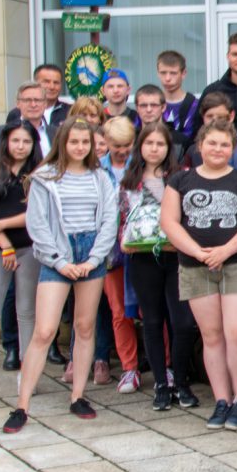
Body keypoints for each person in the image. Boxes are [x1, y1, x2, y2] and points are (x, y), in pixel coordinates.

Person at [4, 119, 119, 433]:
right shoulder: (44, 177)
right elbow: (37, 224)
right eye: (74, 142)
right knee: (44, 331)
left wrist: (94, 258)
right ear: (63, 143)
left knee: (84, 327)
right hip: (58, 254)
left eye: (86, 142)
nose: (80, 147)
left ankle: (78, 395)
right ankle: (22, 405)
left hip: (90, 254)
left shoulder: (101, 177)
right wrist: (58, 260)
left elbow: (110, 219)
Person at [162, 119, 237, 431]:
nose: (218, 149)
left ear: (233, 149)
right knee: (211, 335)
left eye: (224, 144)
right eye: (212, 143)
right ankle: (222, 400)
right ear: (200, 146)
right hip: (195, 266)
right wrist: (198, 252)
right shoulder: (179, 181)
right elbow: (170, 222)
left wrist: (224, 251)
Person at [119, 122, 200, 411]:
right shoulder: (129, 181)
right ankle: (161, 386)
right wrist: (123, 242)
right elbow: (123, 221)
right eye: (149, 143)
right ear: (140, 146)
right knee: (152, 322)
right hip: (142, 259)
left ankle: (181, 381)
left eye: (160, 144)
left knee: (183, 323)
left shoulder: (181, 178)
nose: (155, 148)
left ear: (169, 149)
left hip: (177, 257)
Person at [0, 122, 42, 373]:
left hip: (30, 249)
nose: (21, 146)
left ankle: (27, 374)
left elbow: (35, 214)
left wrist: (0, 224)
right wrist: (6, 247)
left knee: (26, 312)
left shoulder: (38, 174)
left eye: (26, 142)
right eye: (16, 141)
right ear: (6, 142)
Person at [96, 117, 139, 390]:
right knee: (119, 311)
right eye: (116, 146)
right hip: (110, 251)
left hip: (141, 247)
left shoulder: (142, 165)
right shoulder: (96, 169)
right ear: (106, 143)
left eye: (127, 145)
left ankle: (164, 365)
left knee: (150, 309)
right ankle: (129, 367)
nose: (122, 151)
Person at [0, 80, 52, 163]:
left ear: (45, 104)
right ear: (18, 103)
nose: (33, 105)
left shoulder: (57, 133)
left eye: (38, 100)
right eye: (27, 100)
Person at [6, 63, 71, 128]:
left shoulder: (70, 111)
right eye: (46, 82)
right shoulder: (17, 113)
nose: (52, 87)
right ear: (35, 83)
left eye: (56, 83)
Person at [182, 91, 234, 168]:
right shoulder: (193, 151)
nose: (214, 121)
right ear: (203, 117)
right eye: (210, 116)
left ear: (231, 117)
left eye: (220, 117)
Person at [135, 83, 190, 156]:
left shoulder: (180, 141)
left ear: (163, 107)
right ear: (136, 108)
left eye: (154, 105)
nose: (149, 110)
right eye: (143, 105)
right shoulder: (130, 139)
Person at [157, 50, 200, 140]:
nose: (167, 78)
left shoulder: (196, 106)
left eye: (173, 73)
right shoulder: (151, 105)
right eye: (163, 73)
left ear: (183, 73)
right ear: (158, 73)